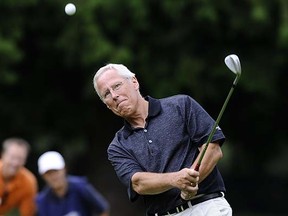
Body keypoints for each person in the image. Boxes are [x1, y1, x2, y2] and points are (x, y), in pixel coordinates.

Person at [93, 64, 233, 216]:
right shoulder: (118, 146)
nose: (114, 95)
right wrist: (176, 180)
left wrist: (191, 182)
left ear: (134, 82)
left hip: (206, 206)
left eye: (117, 86)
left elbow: (213, 149)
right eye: (106, 93)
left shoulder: (181, 105)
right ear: (107, 105)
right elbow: (138, 182)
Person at [36, 151, 110, 216]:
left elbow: (102, 209)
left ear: (64, 169)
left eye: (56, 171)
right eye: (48, 173)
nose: (53, 176)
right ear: (43, 177)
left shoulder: (80, 187)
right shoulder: (42, 201)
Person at [0, 137, 38, 216]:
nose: (15, 163)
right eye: (12, 157)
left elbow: (27, 213)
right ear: (3, 155)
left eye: (20, 158)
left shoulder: (28, 182)